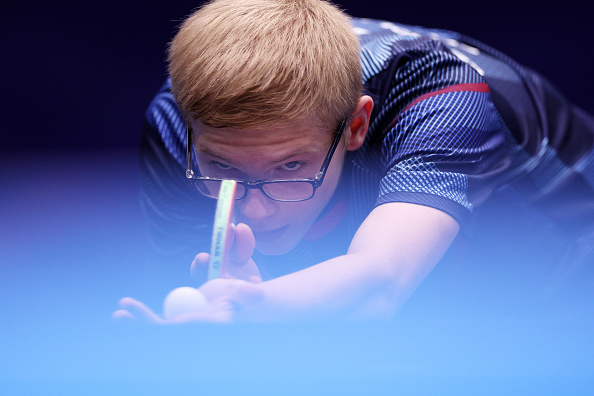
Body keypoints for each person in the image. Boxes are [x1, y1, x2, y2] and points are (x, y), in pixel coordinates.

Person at [114, 0, 594, 323]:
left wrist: (253, 308)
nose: (254, 213)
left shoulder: (448, 98)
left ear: (356, 126)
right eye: (223, 168)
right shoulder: (179, 123)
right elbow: (195, 311)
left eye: (290, 166)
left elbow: (379, 282)